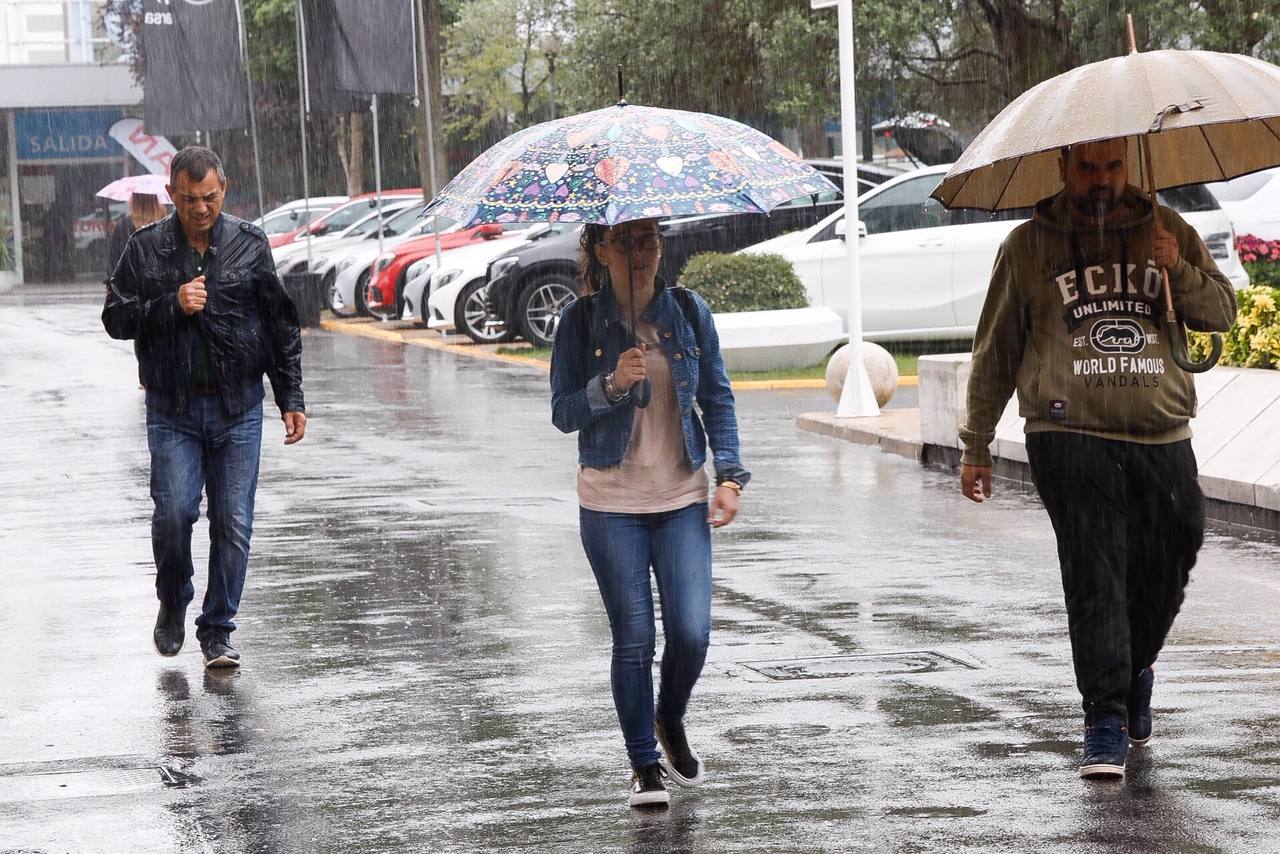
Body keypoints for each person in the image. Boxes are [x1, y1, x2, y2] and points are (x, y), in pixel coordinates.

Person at [958, 138, 1237, 780]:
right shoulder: (1027, 246)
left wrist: (1180, 271)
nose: (1102, 181)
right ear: (1062, 167)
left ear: (1130, 167)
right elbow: (996, 349)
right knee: (1097, 571)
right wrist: (976, 443)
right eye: (1088, 167)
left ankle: (1136, 664)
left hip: (1160, 433)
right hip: (1068, 433)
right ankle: (1105, 717)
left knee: (1171, 556)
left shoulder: (1170, 230)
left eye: (1114, 167)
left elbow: (1221, 313)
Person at [550, 218, 749, 808]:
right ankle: (643, 762)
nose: (640, 254)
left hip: (681, 495)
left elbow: (716, 394)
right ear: (601, 251)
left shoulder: (688, 312)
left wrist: (731, 475)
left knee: (691, 631)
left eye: (649, 241)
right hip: (610, 503)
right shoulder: (579, 321)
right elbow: (563, 412)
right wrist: (611, 384)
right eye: (626, 243)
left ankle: (670, 714)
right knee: (634, 637)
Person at [102, 146, 307, 669]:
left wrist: (291, 397)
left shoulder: (249, 243)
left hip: (238, 409)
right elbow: (116, 319)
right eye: (190, 199)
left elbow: (280, 323)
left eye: (209, 197)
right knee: (174, 515)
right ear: (171, 194)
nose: (200, 208)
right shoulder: (145, 250)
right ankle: (173, 599)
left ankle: (217, 630)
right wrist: (170, 304)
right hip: (173, 411)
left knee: (232, 522)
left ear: (225, 190)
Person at [106, 192, 166, 280]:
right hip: (161, 284)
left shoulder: (124, 226)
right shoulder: (165, 223)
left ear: (134, 201)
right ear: (155, 200)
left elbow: (116, 259)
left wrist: (111, 283)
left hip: (132, 285)